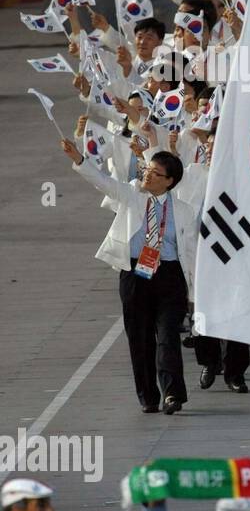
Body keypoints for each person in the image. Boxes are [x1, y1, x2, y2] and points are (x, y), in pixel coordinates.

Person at [60, 138, 198, 414]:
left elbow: (192, 252)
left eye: (154, 173)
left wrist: (194, 293)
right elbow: (103, 182)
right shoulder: (133, 194)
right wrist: (79, 159)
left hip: (169, 276)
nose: (146, 174)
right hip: (135, 275)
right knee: (140, 337)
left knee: (168, 337)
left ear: (169, 181)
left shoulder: (183, 211)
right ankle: (148, 396)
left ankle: (173, 394)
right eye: (147, 169)